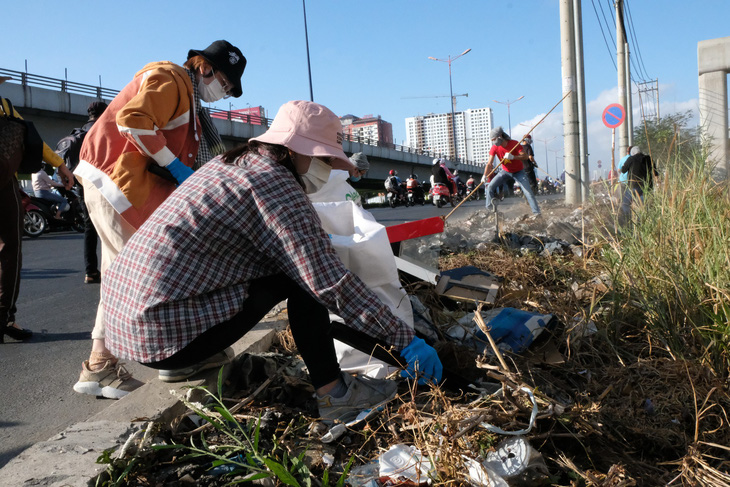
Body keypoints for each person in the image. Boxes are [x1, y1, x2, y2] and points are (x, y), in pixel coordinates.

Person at [100, 100, 442, 424]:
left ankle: (183, 362)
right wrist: (403, 339)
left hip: (133, 326)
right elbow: (328, 281)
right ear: (294, 150)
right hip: (162, 336)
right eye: (324, 159)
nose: (327, 170)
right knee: (301, 278)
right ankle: (334, 393)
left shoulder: (231, 164)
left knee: (293, 266)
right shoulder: (275, 185)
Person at [71, 40, 247, 399]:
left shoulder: (188, 96)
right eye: (225, 85)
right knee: (144, 276)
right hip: (117, 184)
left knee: (119, 276)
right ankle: (177, 355)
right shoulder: (172, 79)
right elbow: (132, 121)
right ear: (204, 67)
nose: (222, 93)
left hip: (118, 186)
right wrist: (176, 165)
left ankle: (100, 363)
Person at [1, 79, 75, 343]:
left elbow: (35, 141)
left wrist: (59, 166)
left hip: (6, 184)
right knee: (10, 249)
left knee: (10, 249)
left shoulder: (6, 107)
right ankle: (5, 318)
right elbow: (35, 141)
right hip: (3, 183)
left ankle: (5, 317)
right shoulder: (6, 109)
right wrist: (61, 166)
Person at [57, 101, 108, 283]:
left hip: (83, 185)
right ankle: (114, 270)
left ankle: (91, 272)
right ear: (105, 112)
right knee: (111, 226)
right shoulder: (104, 129)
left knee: (90, 228)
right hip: (103, 184)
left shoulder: (78, 132)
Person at [483, 127, 541, 215]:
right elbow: (489, 164)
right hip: (505, 171)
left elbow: (525, 156)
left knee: (528, 192)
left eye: (494, 139)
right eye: (492, 140)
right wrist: (485, 175)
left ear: (500, 136)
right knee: (490, 187)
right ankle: (490, 211)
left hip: (519, 172)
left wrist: (513, 157)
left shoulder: (514, 144)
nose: (493, 142)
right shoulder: (494, 148)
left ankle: (537, 213)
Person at [619, 146, 658, 223]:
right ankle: (642, 221)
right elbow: (655, 173)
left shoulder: (631, 159)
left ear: (632, 153)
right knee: (643, 205)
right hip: (646, 187)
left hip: (634, 186)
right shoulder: (648, 158)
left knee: (625, 203)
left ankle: (627, 219)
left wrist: (624, 166)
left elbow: (623, 170)